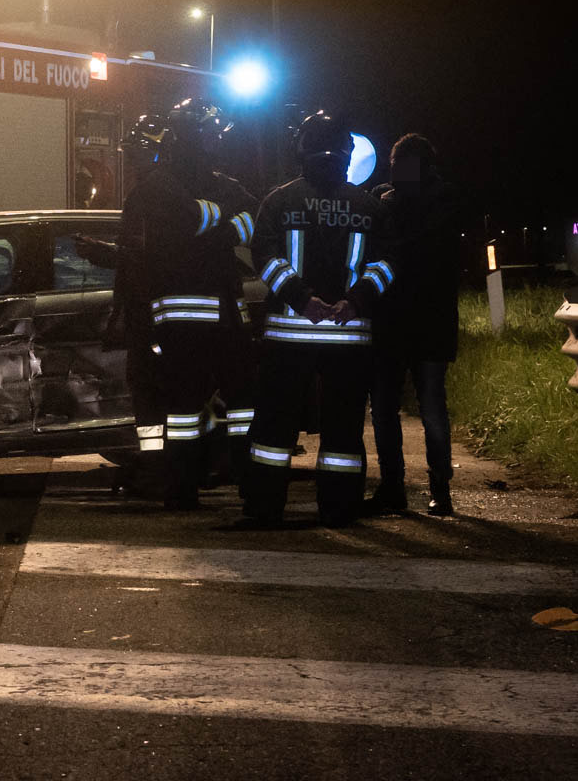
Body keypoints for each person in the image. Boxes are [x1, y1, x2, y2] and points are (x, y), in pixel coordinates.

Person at [242, 110, 395, 527]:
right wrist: (354, 302)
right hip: (349, 337)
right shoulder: (369, 207)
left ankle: (264, 508)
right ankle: (340, 509)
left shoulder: (279, 200)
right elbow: (386, 266)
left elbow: (265, 259)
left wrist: (301, 300)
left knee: (274, 426)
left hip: (288, 339)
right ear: (348, 154)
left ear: (301, 150)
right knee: (343, 431)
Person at [120, 98, 259, 510]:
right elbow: (184, 223)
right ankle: (197, 486)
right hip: (194, 314)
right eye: (213, 133)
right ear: (196, 134)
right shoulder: (160, 186)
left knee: (227, 403)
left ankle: (218, 484)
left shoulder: (201, 183)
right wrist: (223, 224)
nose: (219, 140)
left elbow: (253, 213)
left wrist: (214, 227)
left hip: (210, 314)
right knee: (190, 406)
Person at [368, 134, 460, 515]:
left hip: (400, 320)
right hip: (428, 320)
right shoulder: (445, 200)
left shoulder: (403, 204)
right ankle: (436, 490)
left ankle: (399, 487)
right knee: (428, 406)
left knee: (392, 407)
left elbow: (395, 248)